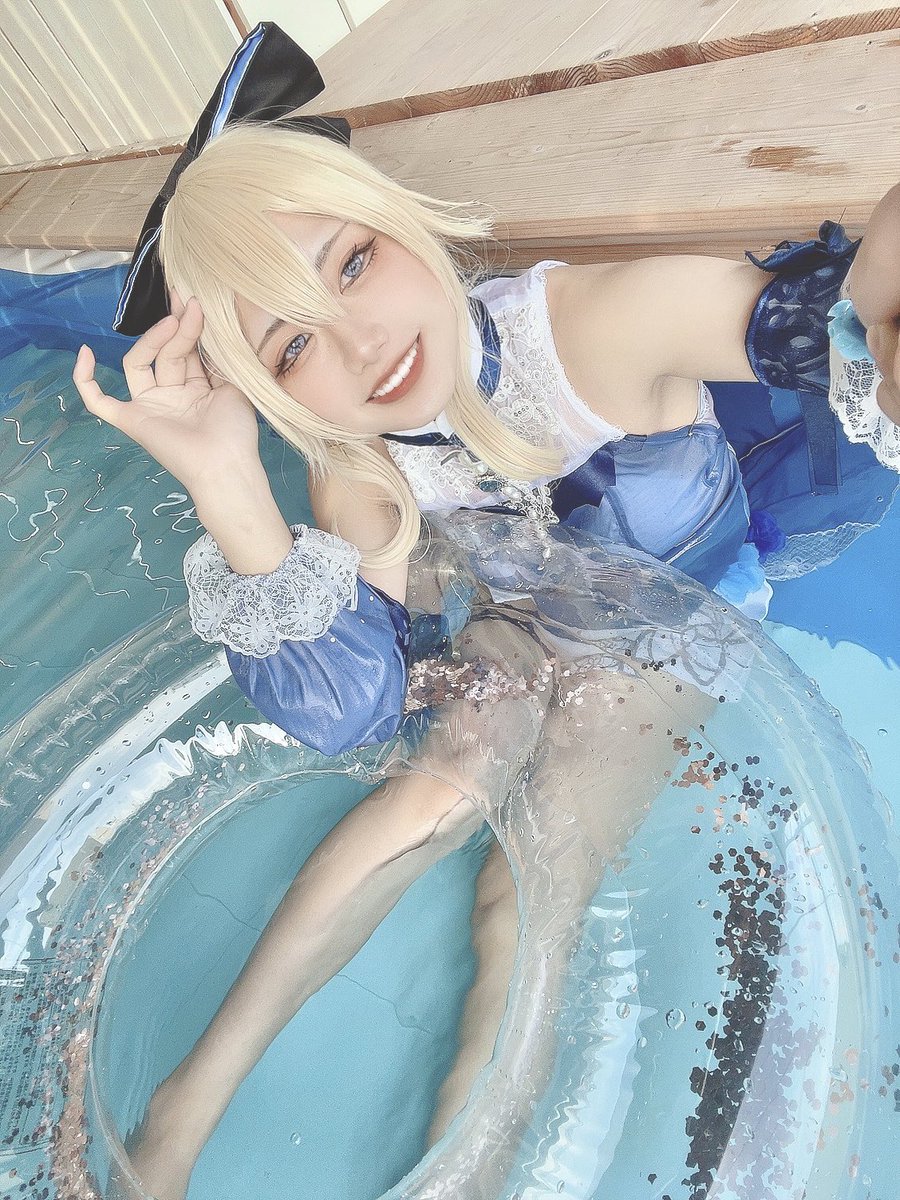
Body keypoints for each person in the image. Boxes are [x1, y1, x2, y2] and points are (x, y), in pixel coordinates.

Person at [71, 23, 900, 1200]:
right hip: (518, 621)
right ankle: (184, 1106)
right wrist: (229, 484)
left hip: (662, 638)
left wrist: (875, 302)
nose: (361, 344)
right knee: (434, 791)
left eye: (354, 262)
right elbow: (352, 714)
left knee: (533, 881)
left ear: (395, 218)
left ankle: (479, 1172)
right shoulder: (359, 462)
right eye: (293, 346)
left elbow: (820, 327)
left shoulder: (600, 326)